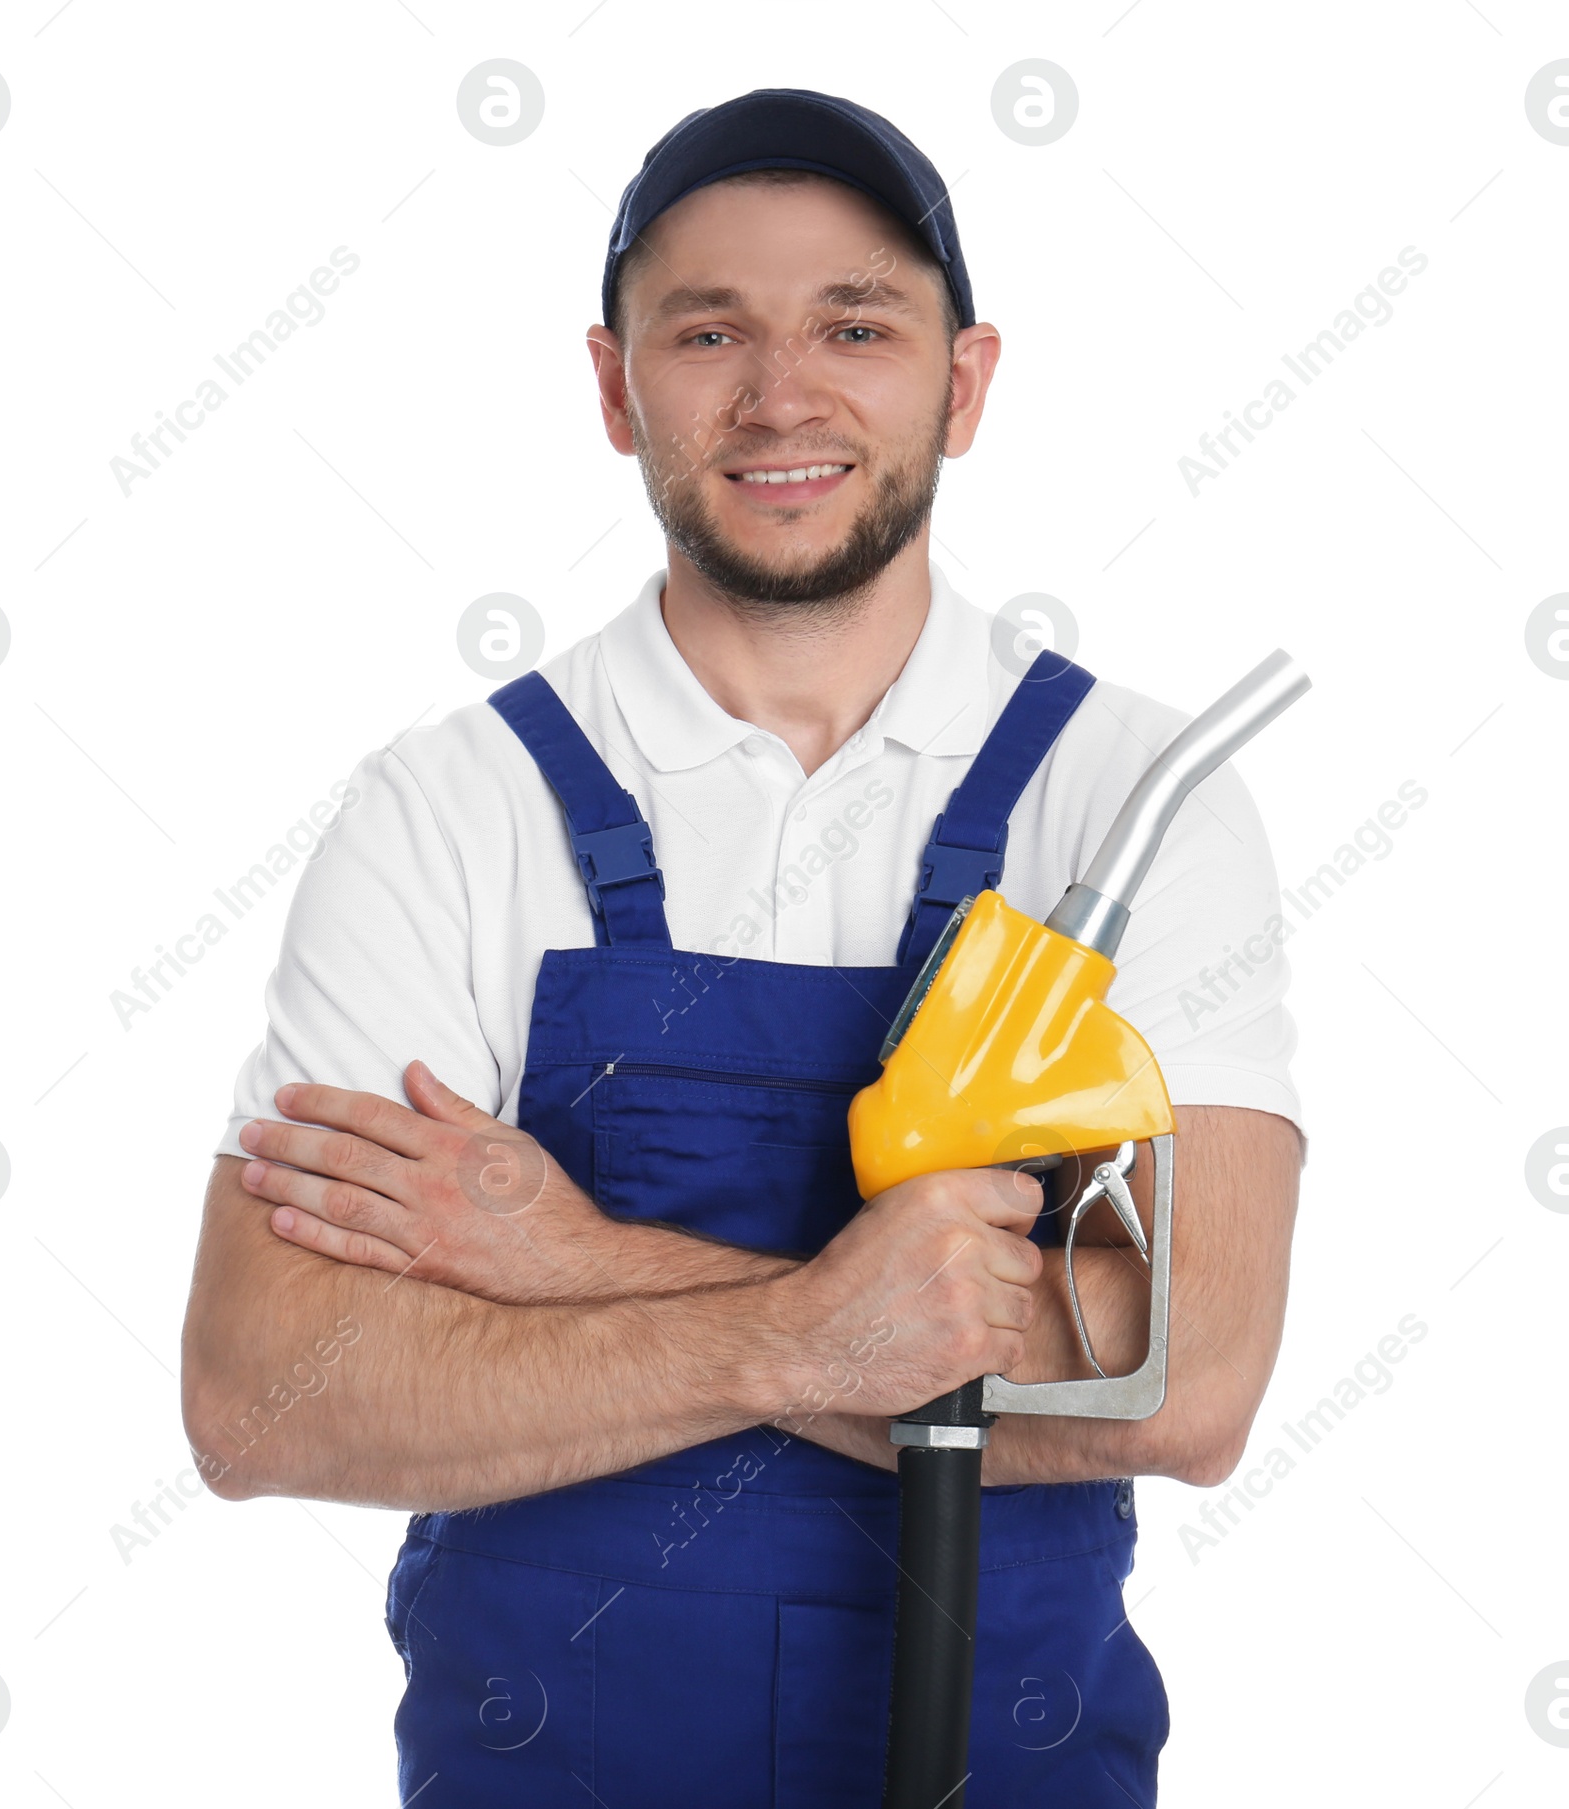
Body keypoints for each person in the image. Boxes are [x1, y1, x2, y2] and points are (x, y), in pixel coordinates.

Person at [180, 88, 1304, 1808]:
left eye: (857, 325)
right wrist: (798, 1337)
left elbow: (1187, 1378)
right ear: (618, 386)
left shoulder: (1132, 801)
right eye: (710, 332)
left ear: (967, 379)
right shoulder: (449, 811)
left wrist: (569, 1259)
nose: (785, 396)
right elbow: (263, 1396)